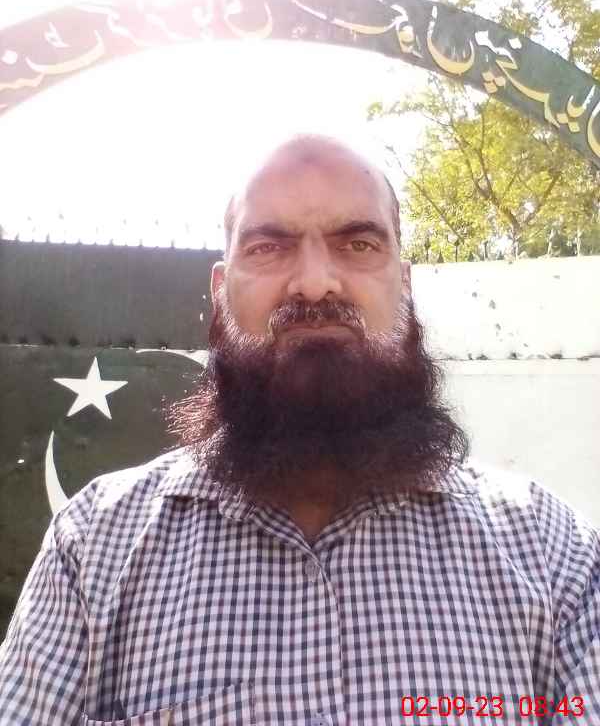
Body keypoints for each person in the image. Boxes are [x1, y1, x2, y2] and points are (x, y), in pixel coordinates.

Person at [0, 132, 598, 725]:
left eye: (358, 244)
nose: (315, 283)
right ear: (220, 291)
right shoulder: (93, 547)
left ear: (406, 285)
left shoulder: (553, 556)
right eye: (269, 247)